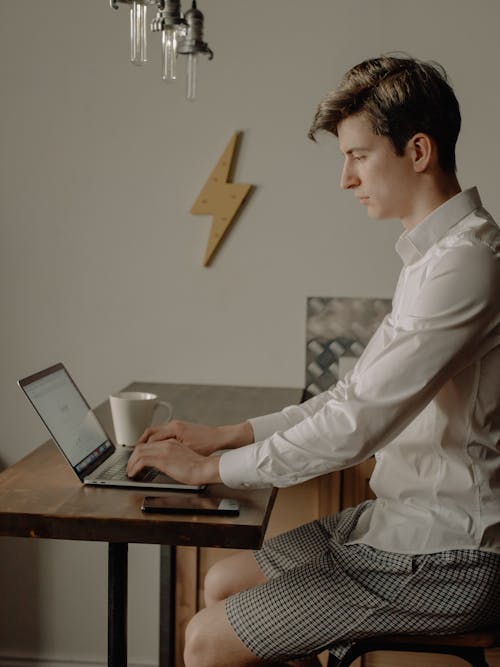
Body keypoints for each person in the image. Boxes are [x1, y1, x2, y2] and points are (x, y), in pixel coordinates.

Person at [127, 54, 500, 667]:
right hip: (395, 523)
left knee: (203, 640)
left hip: (443, 556)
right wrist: (223, 436)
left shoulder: (466, 264)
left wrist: (209, 471)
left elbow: (358, 427)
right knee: (221, 582)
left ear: (419, 151)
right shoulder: (432, 259)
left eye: (357, 155)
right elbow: (349, 397)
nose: (346, 179)